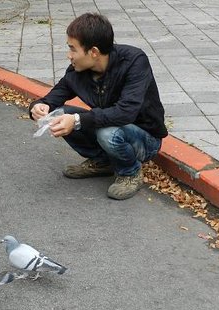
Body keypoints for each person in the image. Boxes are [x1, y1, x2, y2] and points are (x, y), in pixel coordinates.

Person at [29, 13, 168, 200]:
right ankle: (103, 162)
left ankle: (130, 173)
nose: (68, 55)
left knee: (106, 132)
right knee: (59, 114)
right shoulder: (78, 71)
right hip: (110, 127)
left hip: (144, 139)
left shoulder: (134, 61)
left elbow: (125, 112)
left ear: (93, 52)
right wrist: (39, 106)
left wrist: (77, 120)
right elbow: (54, 96)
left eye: (73, 49)